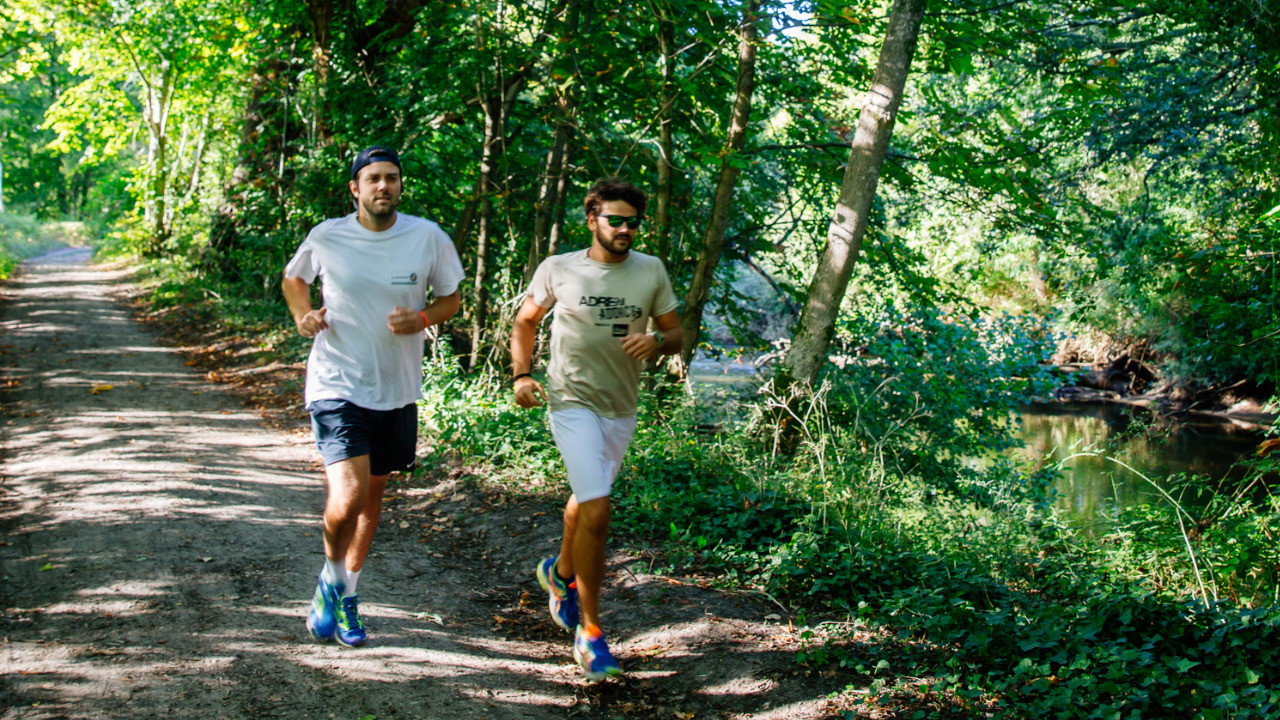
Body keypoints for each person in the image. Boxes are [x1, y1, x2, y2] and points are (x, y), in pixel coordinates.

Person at [282, 146, 464, 647]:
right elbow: (295, 279)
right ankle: (331, 578)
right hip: (336, 382)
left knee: (373, 497)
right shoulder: (328, 236)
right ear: (355, 189)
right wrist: (304, 315)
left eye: (392, 178)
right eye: (373, 179)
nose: (383, 186)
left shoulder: (427, 237)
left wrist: (424, 318)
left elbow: (452, 298)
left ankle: (347, 593)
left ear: (400, 186)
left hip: (397, 389)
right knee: (349, 493)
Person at [511, 178, 681, 681]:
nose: (625, 228)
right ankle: (591, 633)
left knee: (589, 498)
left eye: (633, 221)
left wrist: (658, 342)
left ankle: (560, 574)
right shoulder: (560, 268)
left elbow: (675, 333)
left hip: (620, 405)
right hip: (571, 401)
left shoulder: (650, 271)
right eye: (615, 220)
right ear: (592, 220)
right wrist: (522, 374)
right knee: (599, 510)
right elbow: (525, 322)